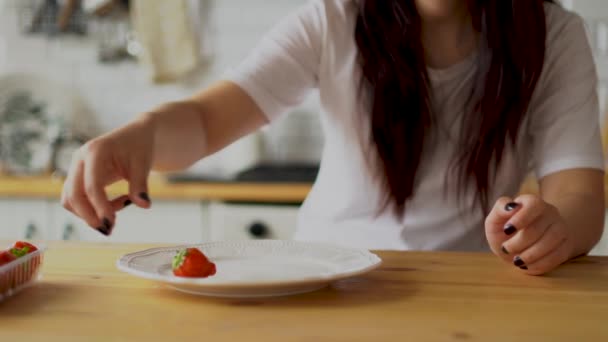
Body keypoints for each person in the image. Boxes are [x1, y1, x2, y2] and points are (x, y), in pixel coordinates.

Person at [62, 0, 605, 275]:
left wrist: (552, 229)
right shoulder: (332, 19)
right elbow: (209, 121)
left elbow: (580, 193)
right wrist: (141, 136)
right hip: (325, 274)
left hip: (464, 284)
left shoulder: (554, 35)